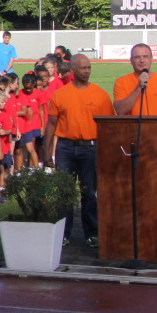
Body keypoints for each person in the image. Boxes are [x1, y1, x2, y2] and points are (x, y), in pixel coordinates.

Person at [45, 54, 114, 248]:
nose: (87, 71)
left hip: (91, 148)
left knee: (89, 192)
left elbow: (108, 126)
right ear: (72, 70)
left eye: (89, 67)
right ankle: (63, 233)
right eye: (83, 68)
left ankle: (91, 233)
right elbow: (51, 124)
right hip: (65, 147)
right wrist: (47, 150)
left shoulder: (100, 95)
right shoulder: (61, 94)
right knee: (64, 192)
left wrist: (107, 152)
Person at [113, 43, 157, 119]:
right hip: (133, 129)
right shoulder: (121, 82)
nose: (141, 60)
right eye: (137, 57)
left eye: (145, 57)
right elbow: (120, 111)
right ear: (131, 60)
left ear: (151, 59)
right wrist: (139, 88)